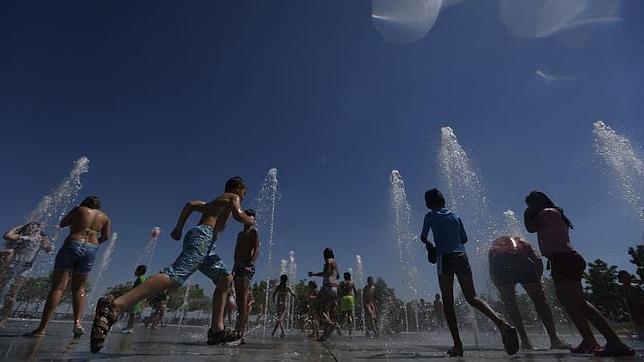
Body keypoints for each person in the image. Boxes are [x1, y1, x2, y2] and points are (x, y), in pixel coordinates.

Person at [89, 176, 255, 352]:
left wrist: (178, 228)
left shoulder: (213, 204)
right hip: (203, 238)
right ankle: (114, 307)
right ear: (237, 188)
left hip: (206, 244)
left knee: (225, 278)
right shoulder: (231, 197)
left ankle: (217, 330)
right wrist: (249, 220)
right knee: (176, 275)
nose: (243, 198)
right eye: (244, 193)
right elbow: (239, 215)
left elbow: (190, 204)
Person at [524, 190, 634, 356]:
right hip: (559, 260)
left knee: (579, 303)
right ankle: (589, 341)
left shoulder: (548, 212)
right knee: (570, 303)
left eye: (531, 203)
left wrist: (527, 213)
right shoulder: (552, 213)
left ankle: (615, 342)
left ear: (540, 202)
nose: (530, 207)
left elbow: (530, 228)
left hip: (565, 259)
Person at [421, 188, 518, 357]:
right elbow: (464, 239)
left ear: (429, 203)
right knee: (472, 297)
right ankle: (502, 324)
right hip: (461, 257)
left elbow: (423, 236)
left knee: (448, 303)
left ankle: (457, 345)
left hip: (445, 258)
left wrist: (430, 246)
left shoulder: (430, 216)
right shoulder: (455, 216)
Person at [25, 196, 111, 338]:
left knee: (58, 287)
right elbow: (106, 236)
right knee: (79, 288)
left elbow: (63, 223)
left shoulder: (79, 209)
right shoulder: (105, 217)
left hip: (73, 244)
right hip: (91, 248)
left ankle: (42, 328)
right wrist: (94, 244)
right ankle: (77, 323)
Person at [488, 235, 569, 350]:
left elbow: (492, 268)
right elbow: (537, 258)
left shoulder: (494, 247)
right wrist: (537, 278)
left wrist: (498, 285)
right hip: (521, 262)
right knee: (540, 302)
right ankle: (554, 339)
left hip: (500, 266)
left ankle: (525, 341)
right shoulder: (521, 241)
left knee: (511, 305)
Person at [0, 222, 53, 326]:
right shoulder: (21, 237)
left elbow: (49, 249)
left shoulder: (39, 239)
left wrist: (45, 240)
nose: (32, 227)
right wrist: (19, 226)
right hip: (11, 267)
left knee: (12, 295)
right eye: (29, 226)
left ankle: (3, 319)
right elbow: (7, 236)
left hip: (24, 269)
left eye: (35, 227)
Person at [232, 209, 259, 337]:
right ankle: (238, 327)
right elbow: (237, 251)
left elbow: (257, 248)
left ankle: (240, 331)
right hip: (237, 266)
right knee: (238, 299)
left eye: (252, 217)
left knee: (243, 298)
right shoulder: (239, 234)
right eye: (247, 215)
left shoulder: (253, 232)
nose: (249, 218)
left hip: (246, 266)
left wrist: (251, 264)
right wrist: (233, 268)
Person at [308, 247, 340, 341]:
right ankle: (324, 336)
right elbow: (337, 276)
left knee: (317, 307)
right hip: (335, 289)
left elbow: (326, 272)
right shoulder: (335, 263)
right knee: (326, 310)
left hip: (327, 287)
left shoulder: (328, 261)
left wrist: (314, 274)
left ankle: (330, 323)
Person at [617, 270, 644, 339]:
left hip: (640, 306)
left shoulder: (635, 286)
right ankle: (640, 335)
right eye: (620, 278)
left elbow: (641, 297)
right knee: (636, 321)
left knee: (640, 320)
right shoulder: (622, 288)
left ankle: (641, 334)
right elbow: (623, 298)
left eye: (625, 277)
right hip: (631, 307)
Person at [121, 265, 147, 334]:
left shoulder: (141, 279)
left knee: (133, 314)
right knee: (131, 313)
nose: (135, 272)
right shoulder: (141, 278)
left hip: (137, 299)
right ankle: (128, 326)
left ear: (140, 271)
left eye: (136, 270)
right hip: (136, 298)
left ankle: (130, 328)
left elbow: (141, 289)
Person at [271, 274, 296, 338]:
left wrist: (273, 300)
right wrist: (297, 299)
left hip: (279, 303)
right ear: (286, 280)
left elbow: (273, 295)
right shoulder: (287, 287)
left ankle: (277, 332)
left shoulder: (278, 287)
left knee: (279, 318)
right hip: (284, 304)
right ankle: (278, 332)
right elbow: (293, 294)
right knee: (280, 318)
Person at [338, 272, 358, 336]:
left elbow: (338, 291)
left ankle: (339, 325)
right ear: (349, 277)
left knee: (343, 315)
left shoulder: (341, 283)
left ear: (344, 277)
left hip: (343, 298)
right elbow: (356, 293)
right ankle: (350, 332)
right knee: (350, 315)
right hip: (350, 298)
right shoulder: (351, 283)